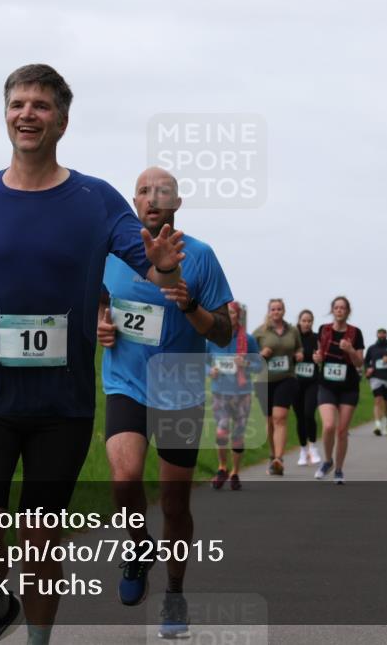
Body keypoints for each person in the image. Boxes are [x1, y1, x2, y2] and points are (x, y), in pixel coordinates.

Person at [0, 65, 186, 645]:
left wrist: (162, 261)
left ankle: (37, 640)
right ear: (6, 114)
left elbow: (155, 270)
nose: (26, 114)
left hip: (62, 404)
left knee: (39, 542)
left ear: (62, 119)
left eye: (40, 105)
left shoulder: (96, 199)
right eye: (17, 104)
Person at [97, 167, 233, 638]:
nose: (153, 197)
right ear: (133, 202)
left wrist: (190, 306)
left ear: (177, 204)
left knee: (175, 505)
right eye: (143, 190)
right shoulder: (111, 250)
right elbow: (89, 294)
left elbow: (224, 329)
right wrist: (100, 320)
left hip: (180, 389)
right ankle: (137, 548)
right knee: (124, 476)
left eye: (164, 192)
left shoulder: (200, 256)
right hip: (126, 382)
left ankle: (174, 594)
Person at [207, 301, 262, 490]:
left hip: (242, 393)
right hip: (220, 392)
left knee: (238, 435)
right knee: (222, 431)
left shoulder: (248, 340)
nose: (228, 315)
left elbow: (259, 365)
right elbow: (202, 361)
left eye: (231, 312)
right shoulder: (212, 339)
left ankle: (235, 472)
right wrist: (210, 370)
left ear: (237, 316)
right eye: (225, 312)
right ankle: (222, 467)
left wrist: (245, 364)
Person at [311, 296, 365, 484]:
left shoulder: (355, 333)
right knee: (328, 426)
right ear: (332, 310)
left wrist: (350, 350)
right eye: (336, 307)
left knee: (342, 430)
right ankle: (327, 461)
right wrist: (317, 358)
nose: (340, 310)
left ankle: (339, 469)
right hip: (327, 384)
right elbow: (319, 356)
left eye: (343, 308)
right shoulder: (324, 330)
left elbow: (359, 362)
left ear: (348, 311)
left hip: (349, 387)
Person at [253, 299, 304, 476]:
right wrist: (261, 354)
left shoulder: (293, 331)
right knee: (269, 421)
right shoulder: (260, 332)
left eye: (279, 309)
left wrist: (299, 354)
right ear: (269, 311)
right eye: (273, 309)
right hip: (264, 381)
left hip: (286, 378)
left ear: (284, 311)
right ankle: (272, 455)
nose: (276, 311)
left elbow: (299, 348)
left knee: (280, 417)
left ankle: (279, 459)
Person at [294, 309, 323, 465]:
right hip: (295, 382)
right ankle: (303, 450)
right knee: (299, 417)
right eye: (304, 320)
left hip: (312, 381)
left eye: (309, 321)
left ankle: (313, 446)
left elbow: (322, 357)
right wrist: (294, 356)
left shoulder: (316, 338)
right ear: (299, 321)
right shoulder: (293, 337)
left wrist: (319, 358)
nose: (306, 323)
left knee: (309, 413)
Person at [364, 327, 387, 437]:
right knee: (378, 400)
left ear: (386, 335)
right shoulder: (372, 348)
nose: (381, 337)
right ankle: (378, 425)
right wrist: (368, 368)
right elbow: (366, 361)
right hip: (376, 377)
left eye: (383, 335)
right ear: (377, 335)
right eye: (379, 335)